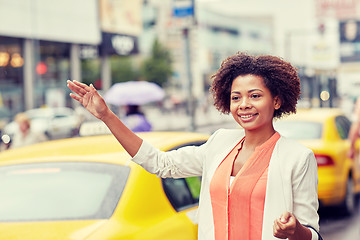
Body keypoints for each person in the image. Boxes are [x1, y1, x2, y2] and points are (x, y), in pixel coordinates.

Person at [67, 52, 320, 240]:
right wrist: (107, 116)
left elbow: (312, 234)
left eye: (255, 95)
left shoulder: (298, 158)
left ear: (276, 101)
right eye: (236, 97)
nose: (244, 104)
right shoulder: (220, 142)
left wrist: (294, 229)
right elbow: (160, 163)